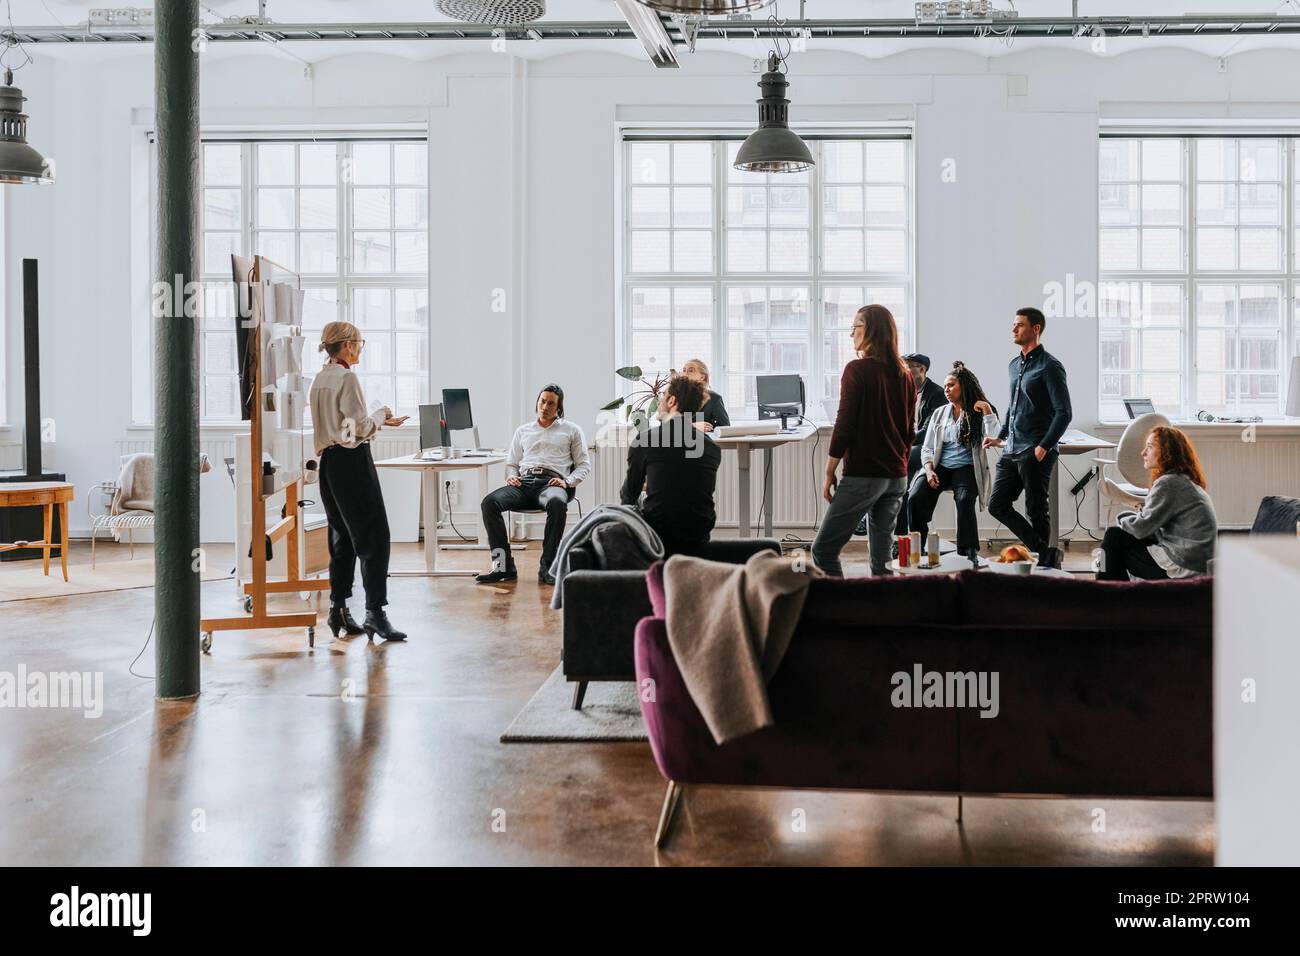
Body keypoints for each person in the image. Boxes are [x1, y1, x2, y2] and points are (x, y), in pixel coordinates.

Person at [309, 321, 409, 641]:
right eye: (360, 343)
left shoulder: (320, 379)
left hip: (329, 464)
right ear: (349, 345)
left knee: (341, 538)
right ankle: (375, 613)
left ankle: (338, 609)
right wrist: (382, 415)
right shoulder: (347, 378)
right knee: (375, 537)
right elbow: (358, 429)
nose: (360, 349)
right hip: (352, 463)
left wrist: (374, 421)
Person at [811, 304, 916, 577]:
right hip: (896, 476)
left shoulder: (857, 370)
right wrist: (900, 463)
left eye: (855, 326)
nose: (851, 334)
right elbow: (909, 431)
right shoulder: (905, 376)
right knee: (882, 562)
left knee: (823, 550)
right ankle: (884, 614)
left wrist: (829, 470)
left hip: (865, 474)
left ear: (870, 330)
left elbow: (845, 424)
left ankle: (843, 612)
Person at [984, 306, 1072, 569]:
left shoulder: (1050, 366)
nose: (1013, 329)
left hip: (1034, 450)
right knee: (997, 505)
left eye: (1019, 325)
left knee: (1036, 510)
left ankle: (1043, 567)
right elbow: (1014, 405)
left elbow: (1064, 412)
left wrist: (1044, 447)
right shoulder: (1014, 365)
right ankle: (1047, 554)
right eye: (1013, 324)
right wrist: (1000, 436)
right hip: (1012, 449)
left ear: (1036, 329)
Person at [477, 384, 590, 586]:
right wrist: (511, 476)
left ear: (559, 408)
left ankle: (548, 566)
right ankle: (502, 566)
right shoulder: (523, 431)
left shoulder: (571, 430)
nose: (545, 406)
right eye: (542, 401)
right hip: (524, 483)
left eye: (551, 403)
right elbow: (512, 463)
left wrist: (567, 482)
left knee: (557, 503)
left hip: (552, 483)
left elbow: (583, 465)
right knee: (489, 503)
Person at [906, 361, 999, 563]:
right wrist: (929, 471)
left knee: (965, 500)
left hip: (966, 468)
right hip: (939, 466)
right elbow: (928, 447)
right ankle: (918, 547)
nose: (946, 390)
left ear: (963, 386)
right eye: (945, 386)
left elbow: (995, 437)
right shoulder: (940, 413)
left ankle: (968, 552)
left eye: (951, 385)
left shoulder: (978, 412)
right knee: (914, 497)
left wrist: (986, 409)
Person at [620, 374, 721, 557]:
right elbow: (689, 487)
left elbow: (628, 495)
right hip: (698, 536)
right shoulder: (711, 447)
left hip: (660, 537)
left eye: (662, 397)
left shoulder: (645, 439)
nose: (659, 402)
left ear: (672, 401)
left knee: (633, 502)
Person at [1097, 426, 1217, 580]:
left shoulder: (1168, 483)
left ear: (1167, 453)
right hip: (1196, 562)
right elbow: (1150, 527)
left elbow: (1141, 529)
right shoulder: (1183, 480)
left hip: (1184, 565)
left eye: (1150, 447)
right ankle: (1115, 593)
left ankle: (1105, 594)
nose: (1143, 453)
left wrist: (1121, 519)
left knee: (1114, 537)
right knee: (1118, 538)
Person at [864, 351, 947, 542]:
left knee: (900, 470)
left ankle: (900, 535)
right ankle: (869, 512)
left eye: (907, 368)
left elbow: (928, 433)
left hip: (929, 448)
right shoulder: (903, 391)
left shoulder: (937, 394)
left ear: (922, 369)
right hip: (909, 446)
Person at [680, 358, 730, 432]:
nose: (685, 374)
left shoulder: (714, 398)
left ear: (702, 377)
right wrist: (692, 426)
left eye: (690, 370)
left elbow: (725, 428)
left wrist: (710, 428)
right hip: (676, 442)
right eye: (684, 370)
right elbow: (665, 427)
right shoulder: (674, 397)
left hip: (703, 442)